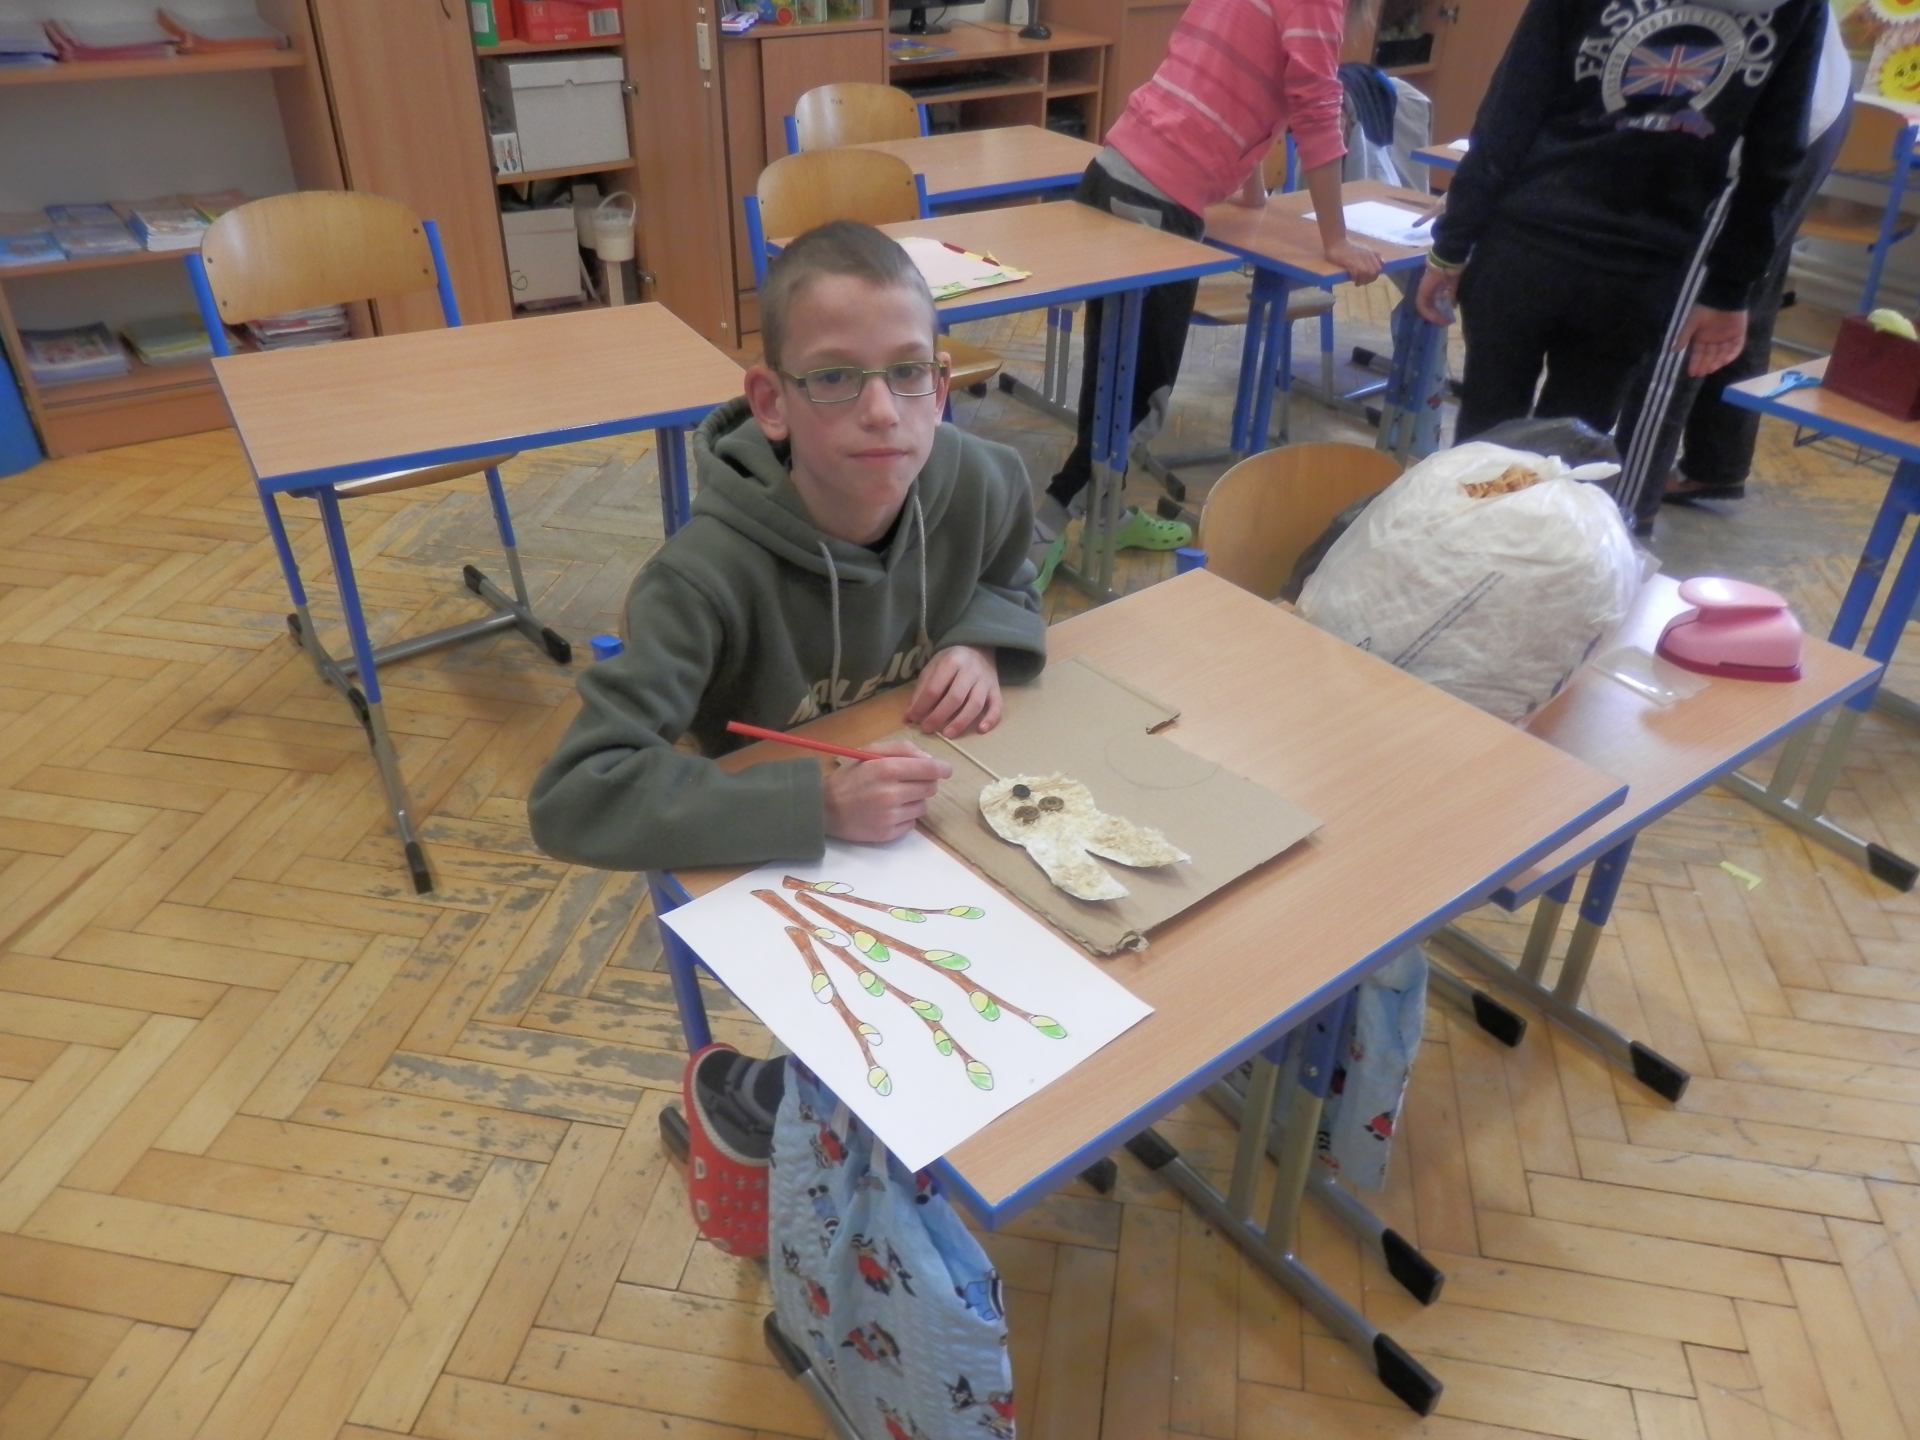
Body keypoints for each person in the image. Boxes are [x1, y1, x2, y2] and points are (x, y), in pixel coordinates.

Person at [528, 219, 1047, 876]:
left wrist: (981, 642)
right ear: (771, 402)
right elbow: (575, 798)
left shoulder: (985, 481)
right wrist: (819, 807)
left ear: (939, 387)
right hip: (786, 863)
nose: (883, 411)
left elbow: (1007, 579)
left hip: (945, 817)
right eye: (833, 377)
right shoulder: (699, 582)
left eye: (907, 370)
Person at [1032, 0, 1386, 584]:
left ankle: (1108, 518)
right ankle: (1041, 532)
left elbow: (1234, 81)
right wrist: (1337, 240)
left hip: (1116, 173)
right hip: (1156, 201)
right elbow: (1316, 110)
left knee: (1113, 379)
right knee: (1139, 397)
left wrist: (1251, 190)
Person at [1414, 0, 1827, 451]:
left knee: (1482, 440)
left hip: (1527, 242)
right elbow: (1776, 157)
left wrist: (1451, 245)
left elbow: (1508, 113)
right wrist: (1729, 290)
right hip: (1642, 269)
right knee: (1570, 454)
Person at [1613, 3, 1854, 531]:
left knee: (1688, 312)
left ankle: (1625, 511)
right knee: (1741, 288)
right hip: (1805, 98)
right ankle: (1714, 464)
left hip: (1770, 117)